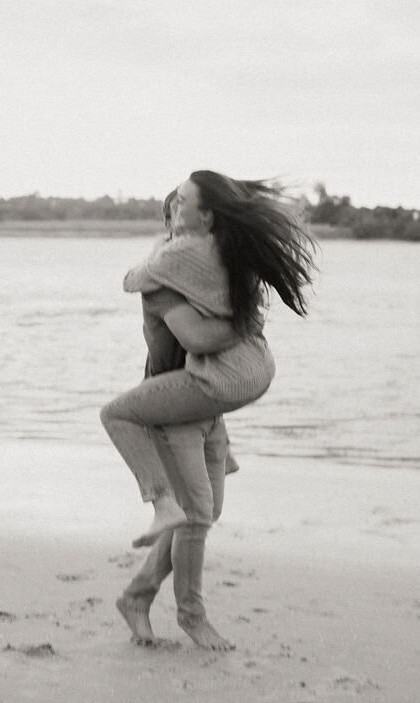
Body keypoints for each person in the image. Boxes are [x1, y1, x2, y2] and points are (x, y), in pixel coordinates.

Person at [101, 170, 316, 650]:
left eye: (182, 207)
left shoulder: (207, 273)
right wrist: (245, 328)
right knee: (194, 516)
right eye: (171, 210)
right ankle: (191, 615)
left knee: (205, 513)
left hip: (205, 408)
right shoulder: (164, 284)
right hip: (175, 408)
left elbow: (218, 324)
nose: (177, 217)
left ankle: (137, 595)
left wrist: (243, 320)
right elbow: (198, 339)